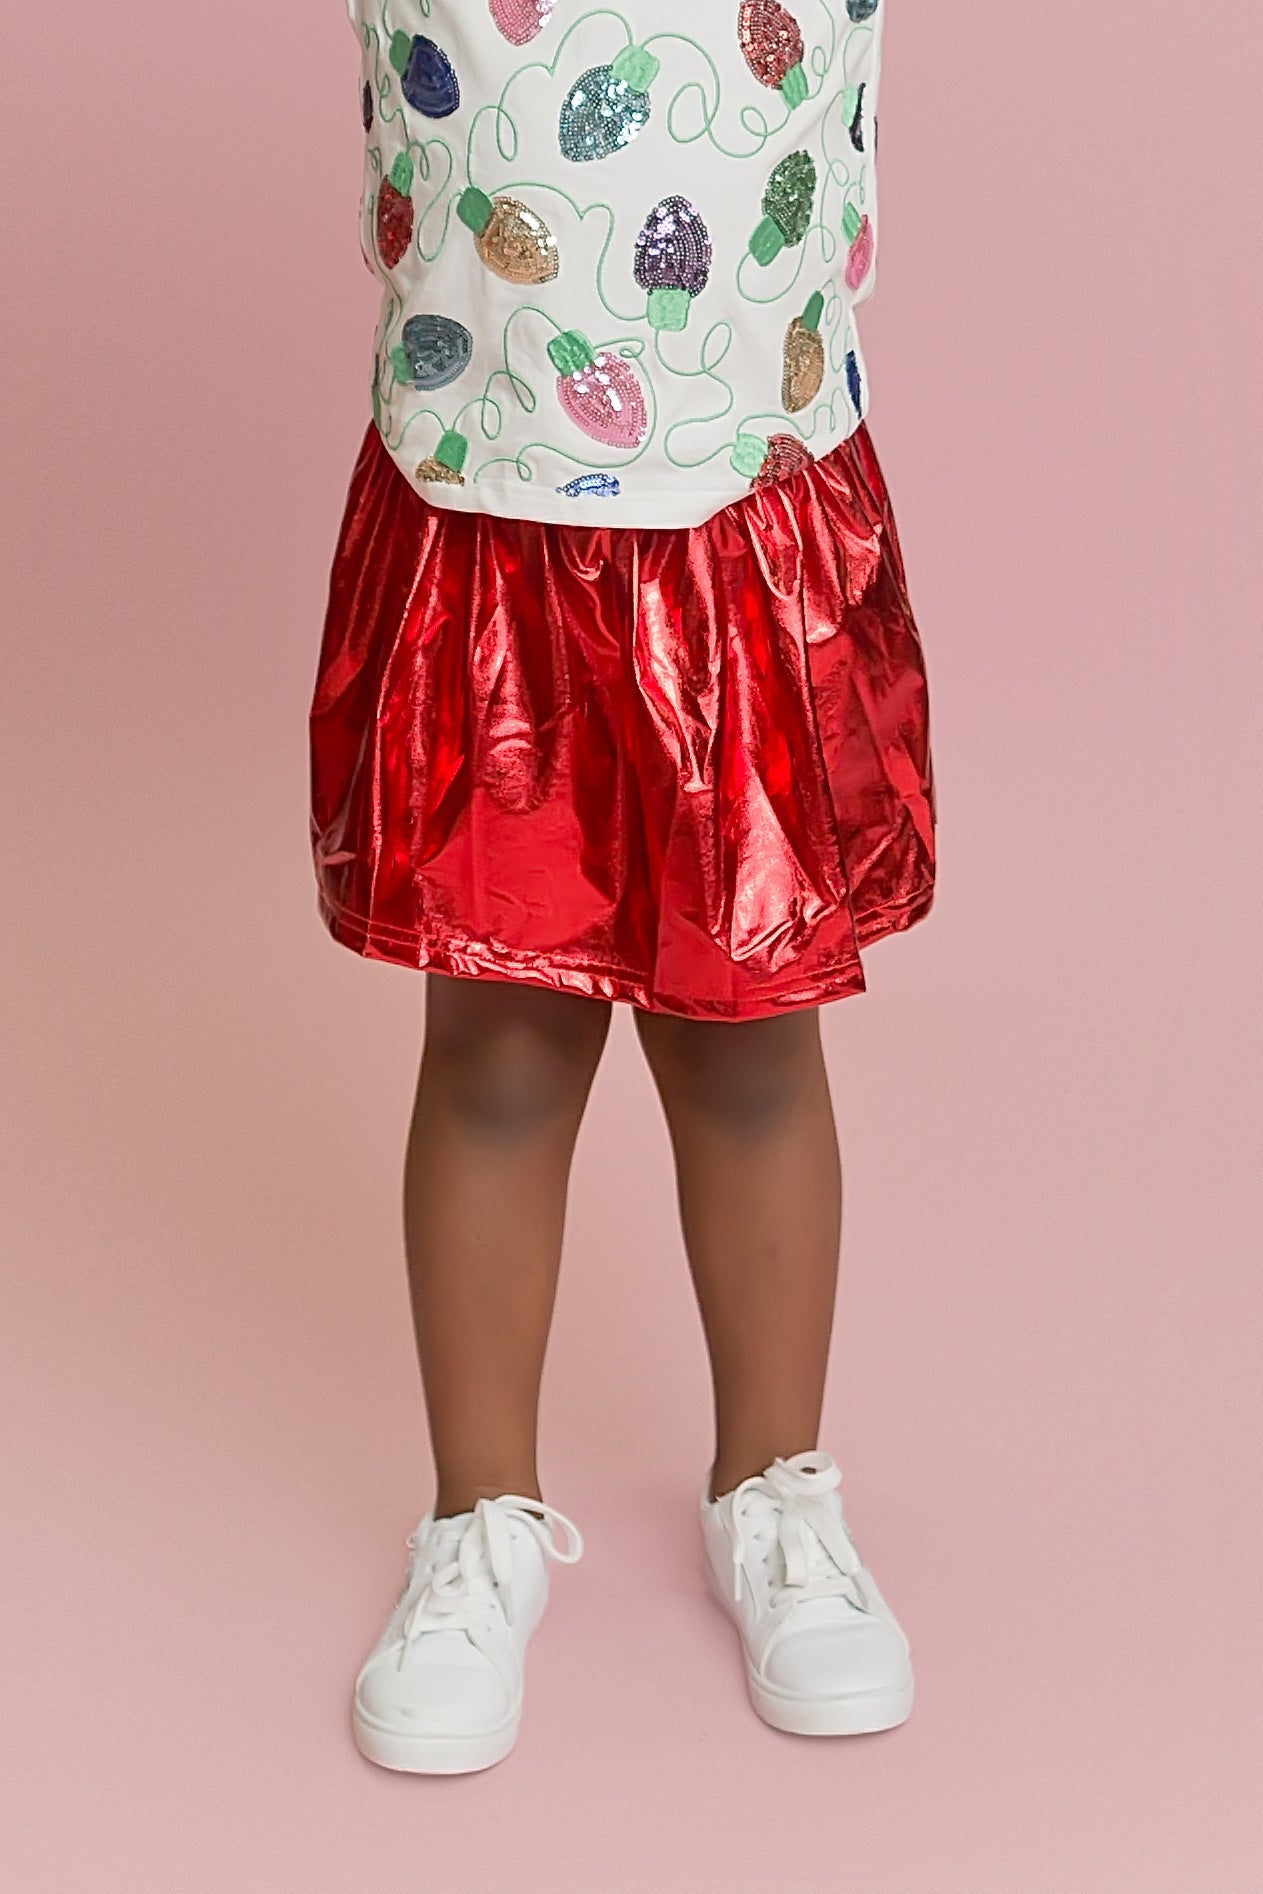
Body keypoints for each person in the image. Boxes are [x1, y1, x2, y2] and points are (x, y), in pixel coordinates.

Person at [310, 0, 935, 1775]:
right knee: (497, 1051)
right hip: (490, 489)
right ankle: (478, 1517)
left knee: (752, 1043)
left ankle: (776, 1491)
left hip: (746, 480)